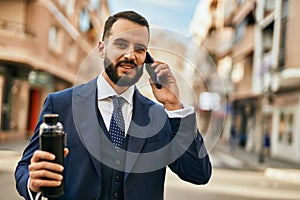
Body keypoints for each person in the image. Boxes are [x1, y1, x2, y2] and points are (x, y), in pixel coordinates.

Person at [15, 11, 212, 200]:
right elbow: (24, 167)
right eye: (121, 44)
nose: (130, 55)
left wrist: (174, 105)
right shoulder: (60, 104)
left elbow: (198, 173)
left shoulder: (160, 115)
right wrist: (33, 182)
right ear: (101, 48)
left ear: (147, 59)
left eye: (140, 49)